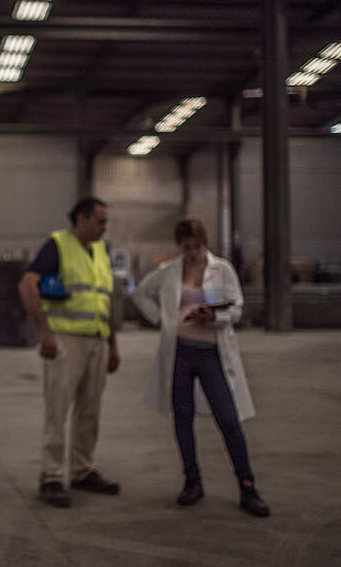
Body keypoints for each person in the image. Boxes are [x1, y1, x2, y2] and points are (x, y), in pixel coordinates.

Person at [131, 217, 270, 517]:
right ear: (180, 246)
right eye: (187, 247)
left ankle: (248, 487)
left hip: (211, 353)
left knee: (229, 420)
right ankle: (192, 482)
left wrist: (214, 317)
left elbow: (237, 307)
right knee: (182, 418)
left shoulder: (223, 270)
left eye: (198, 246)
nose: (194, 252)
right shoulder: (169, 272)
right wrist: (163, 319)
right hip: (180, 353)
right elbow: (140, 293)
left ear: (206, 243)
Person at [17, 197, 121, 508]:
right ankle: (51, 475)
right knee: (58, 410)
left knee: (90, 411)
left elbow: (106, 301)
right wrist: (45, 332)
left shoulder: (101, 251)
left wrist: (113, 345)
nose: (105, 227)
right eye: (100, 221)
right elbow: (27, 285)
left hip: (98, 341)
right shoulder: (57, 245)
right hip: (66, 341)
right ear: (82, 219)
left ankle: (81, 469)